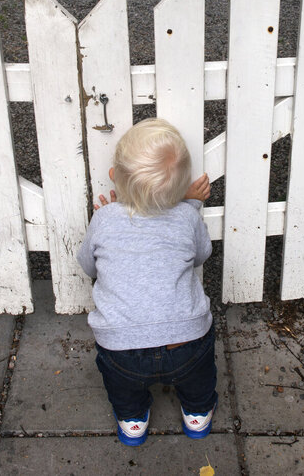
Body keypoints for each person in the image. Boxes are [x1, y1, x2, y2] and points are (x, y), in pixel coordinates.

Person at [77, 118, 216, 446]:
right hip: (186, 344)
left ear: (115, 177)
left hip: (120, 350)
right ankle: (197, 415)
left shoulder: (105, 217)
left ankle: (132, 421)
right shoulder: (186, 215)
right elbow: (201, 255)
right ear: (181, 186)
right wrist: (191, 205)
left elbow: (88, 265)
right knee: (198, 380)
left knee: (123, 389)